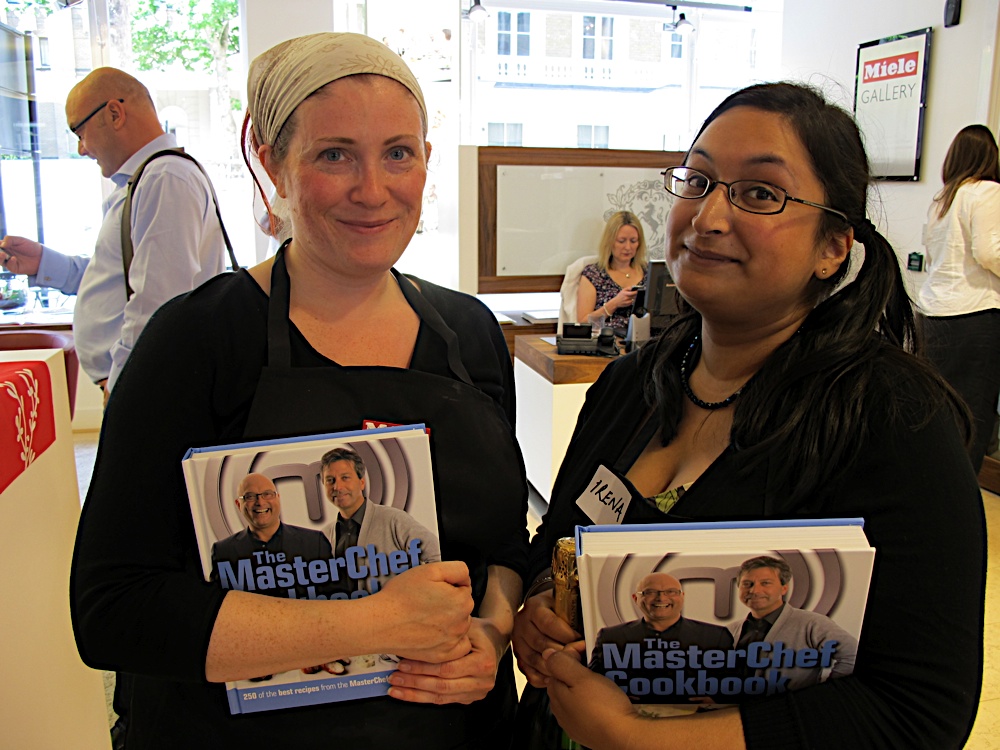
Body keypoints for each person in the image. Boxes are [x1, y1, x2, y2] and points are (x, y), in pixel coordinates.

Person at [70, 32, 528, 749]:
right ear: (273, 164)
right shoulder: (196, 339)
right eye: (334, 155)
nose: (372, 190)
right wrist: (371, 623)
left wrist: (491, 636)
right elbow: (114, 608)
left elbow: (502, 544)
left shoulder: (469, 334)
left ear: (426, 161)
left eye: (398, 153)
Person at [512, 81, 985, 749]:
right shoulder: (630, 384)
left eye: (760, 194)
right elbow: (557, 541)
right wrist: (539, 607)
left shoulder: (892, 419)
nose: (708, 216)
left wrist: (641, 740)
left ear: (833, 246)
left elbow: (919, 713)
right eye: (699, 181)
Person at [0, 67, 231, 399]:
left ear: (114, 113)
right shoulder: (149, 179)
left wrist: (123, 387)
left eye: (80, 132)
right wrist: (43, 263)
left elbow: (157, 301)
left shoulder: (164, 178)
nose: (81, 148)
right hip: (142, 386)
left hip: (145, 389)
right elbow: (122, 281)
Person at [918, 124, 1000, 472]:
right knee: (973, 416)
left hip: (933, 316)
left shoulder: (942, 199)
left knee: (939, 414)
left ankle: (934, 488)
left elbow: (932, 255)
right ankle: (962, 497)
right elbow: (989, 251)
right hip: (974, 316)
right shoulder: (987, 191)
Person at [589, 572, 733, 704]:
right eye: (650, 592)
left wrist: (716, 701)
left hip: (698, 718)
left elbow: (734, 683)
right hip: (629, 718)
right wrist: (614, 698)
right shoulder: (610, 637)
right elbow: (592, 683)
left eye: (671, 592)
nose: (661, 598)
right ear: (636, 598)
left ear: (682, 596)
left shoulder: (716, 636)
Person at [320, 446, 442, 593]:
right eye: (330, 480)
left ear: (362, 482)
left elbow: (436, 557)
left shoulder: (395, 520)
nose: (337, 487)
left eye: (345, 478)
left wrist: (415, 596)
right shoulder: (324, 535)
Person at [730, 556, 857, 691]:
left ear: (784, 588)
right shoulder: (731, 630)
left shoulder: (813, 623)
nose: (754, 590)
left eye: (765, 583)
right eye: (747, 584)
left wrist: (825, 693)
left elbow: (852, 656)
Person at [210, 473, 335, 600]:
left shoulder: (314, 542)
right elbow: (218, 603)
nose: (260, 502)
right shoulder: (223, 552)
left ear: (278, 498)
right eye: (250, 497)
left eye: (267, 494)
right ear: (239, 504)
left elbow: (333, 600)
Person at [576, 210, 649, 331]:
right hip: (609, 338)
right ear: (610, 242)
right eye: (621, 241)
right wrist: (614, 304)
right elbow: (584, 324)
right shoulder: (594, 274)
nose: (628, 247)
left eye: (633, 241)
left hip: (645, 337)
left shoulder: (648, 272)